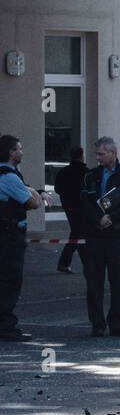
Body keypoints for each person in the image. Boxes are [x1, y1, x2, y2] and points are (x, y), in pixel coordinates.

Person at [80, 136, 120, 338]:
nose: (97, 158)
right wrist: (98, 219)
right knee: (94, 283)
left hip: (117, 235)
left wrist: (112, 219)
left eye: (101, 154)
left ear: (112, 153)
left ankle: (118, 323)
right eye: (96, 154)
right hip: (95, 235)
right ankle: (97, 323)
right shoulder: (91, 176)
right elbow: (85, 202)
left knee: (118, 282)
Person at [0, 134, 45, 342]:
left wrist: (30, 191)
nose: (22, 152)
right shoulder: (8, 176)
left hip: (7, 234)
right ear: (11, 152)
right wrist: (34, 193)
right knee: (10, 280)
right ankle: (6, 327)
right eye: (19, 148)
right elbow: (33, 203)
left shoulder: (10, 174)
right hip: (10, 237)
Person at [54, 147, 89, 273]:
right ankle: (68, 263)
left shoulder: (64, 172)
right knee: (78, 233)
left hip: (69, 206)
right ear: (82, 156)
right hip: (82, 207)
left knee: (77, 233)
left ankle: (83, 263)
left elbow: (57, 188)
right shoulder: (85, 172)